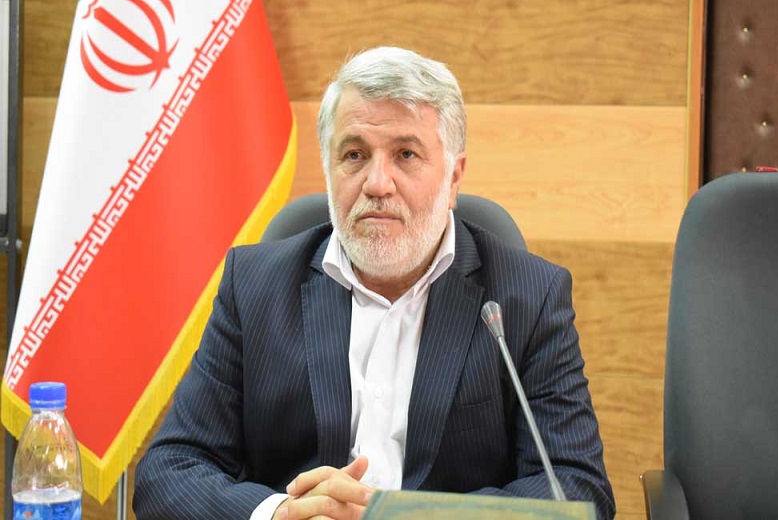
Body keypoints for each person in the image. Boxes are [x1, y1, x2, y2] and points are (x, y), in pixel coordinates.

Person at [133, 46, 615, 519]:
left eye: (406, 154)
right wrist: (280, 514)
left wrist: (405, 517)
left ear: (453, 178)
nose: (377, 183)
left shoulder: (526, 297)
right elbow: (167, 472)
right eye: (355, 154)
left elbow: (577, 488)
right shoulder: (255, 286)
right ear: (329, 170)